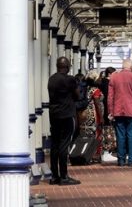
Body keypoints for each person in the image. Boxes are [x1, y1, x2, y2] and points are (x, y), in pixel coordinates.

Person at [48, 57, 81, 185]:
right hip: (67, 114)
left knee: (54, 145)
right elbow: (77, 96)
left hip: (54, 114)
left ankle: (54, 176)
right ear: (67, 67)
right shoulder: (70, 79)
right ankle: (64, 176)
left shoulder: (52, 79)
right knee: (64, 145)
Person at [108, 59, 132, 166]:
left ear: (122, 66)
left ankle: (121, 160)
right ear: (131, 67)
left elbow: (110, 97)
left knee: (120, 135)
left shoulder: (114, 77)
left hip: (118, 110)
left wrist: (111, 111)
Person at [98, 67, 118, 162]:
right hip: (107, 111)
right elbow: (109, 98)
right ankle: (106, 152)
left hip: (104, 110)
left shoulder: (102, 82)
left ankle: (106, 152)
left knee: (106, 130)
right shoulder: (108, 84)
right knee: (108, 130)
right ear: (110, 74)